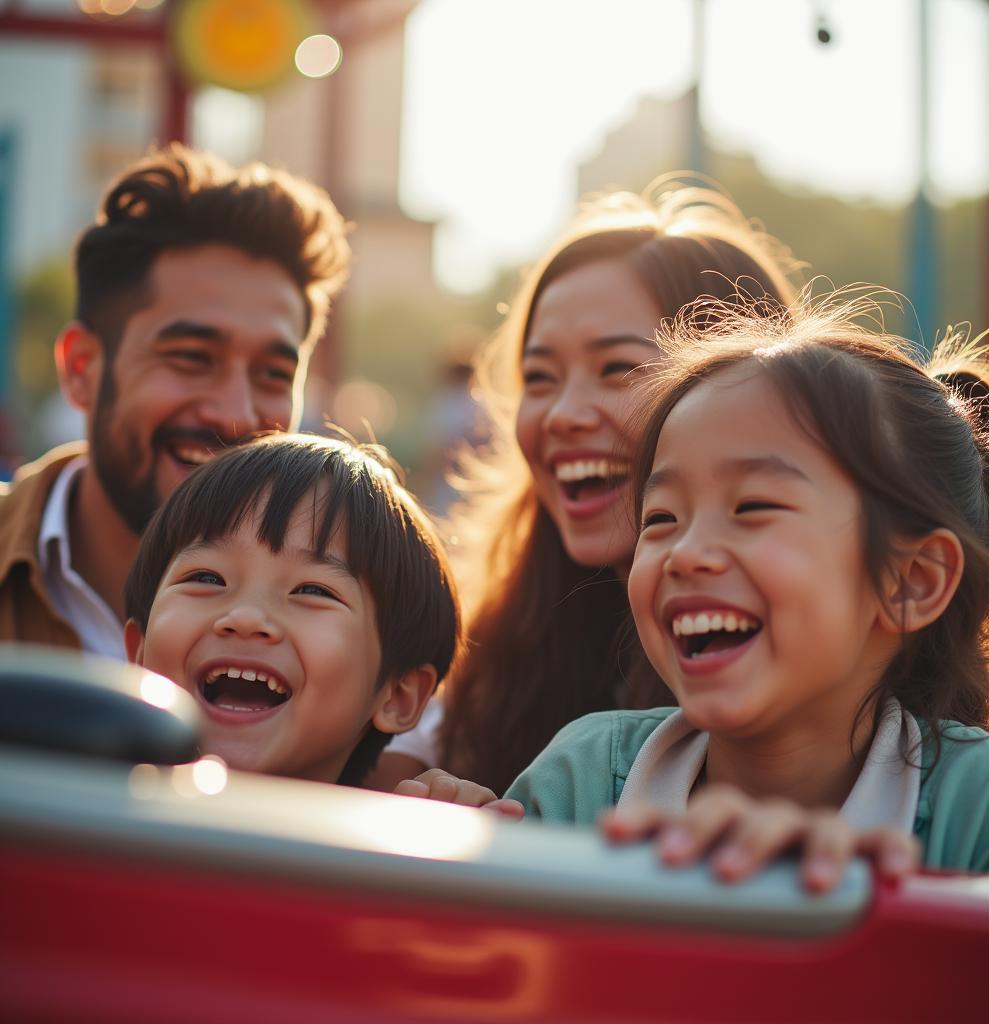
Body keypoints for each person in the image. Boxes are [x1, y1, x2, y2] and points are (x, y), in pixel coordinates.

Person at [502, 292, 989, 885]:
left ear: (912, 581)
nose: (687, 553)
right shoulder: (582, 781)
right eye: (661, 518)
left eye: (752, 507)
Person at [370, 180, 802, 795]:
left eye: (618, 368)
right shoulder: (485, 655)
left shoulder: (840, 695)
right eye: (540, 377)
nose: (564, 414)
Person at [0, 144, 350, 656]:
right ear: (82, 369)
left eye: (273, 373)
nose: (235, 414)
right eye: (191, 357)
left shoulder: (352, 635)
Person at [123, 433, 461, 786]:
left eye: (312, 591)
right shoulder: (68, 816)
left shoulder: (415, 835)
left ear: (398, 695)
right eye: (207, 578)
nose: (245, 618)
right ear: (138, 653)